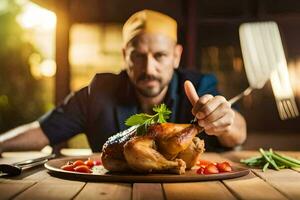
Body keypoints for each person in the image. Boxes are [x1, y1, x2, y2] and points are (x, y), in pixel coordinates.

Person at [0, 10, 246, 154]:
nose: (149, 68)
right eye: (138, 56)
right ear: (124, 56)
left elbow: (237, 133)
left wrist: (224, 121)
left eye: (159, 56)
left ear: (176, 56)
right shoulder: (98, 93)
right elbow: (42, 131)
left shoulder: (198, 84)